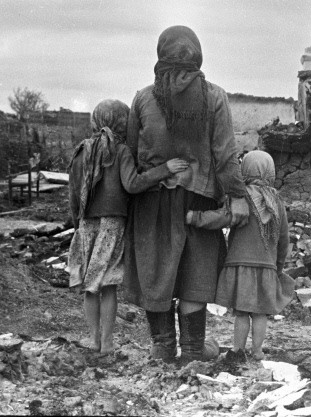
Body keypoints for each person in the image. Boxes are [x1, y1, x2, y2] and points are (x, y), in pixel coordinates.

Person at [124, 25, 249, 364]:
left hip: (152, 203)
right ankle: (192, 352)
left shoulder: (142, 98)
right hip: (199, 202)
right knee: (195, 278)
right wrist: (235, 197)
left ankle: (162, 348)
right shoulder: (215, 97)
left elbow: (132, 154)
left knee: (156, 275)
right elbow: (225, 155)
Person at [68, 99, 189, 355]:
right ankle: (109, 342)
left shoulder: (82, 151)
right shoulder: (120, 151)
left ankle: (93, 339)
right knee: (108, 284)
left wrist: (76, 222)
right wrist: (164, 170)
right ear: (123, 122)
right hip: (113, 223)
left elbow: (73, 192)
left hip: (86, 224)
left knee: (90, 286)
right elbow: (133, 184)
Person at [187, 150, 292, 363]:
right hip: (266, 267)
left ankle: (237, 350)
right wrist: (277, 267)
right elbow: (284, 239)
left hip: (240, 265)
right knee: (261, 313)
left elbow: (222, 218)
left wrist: (195, 217)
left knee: (242, 313)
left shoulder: (240, 198)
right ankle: (258, 351)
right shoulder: (276, 202)